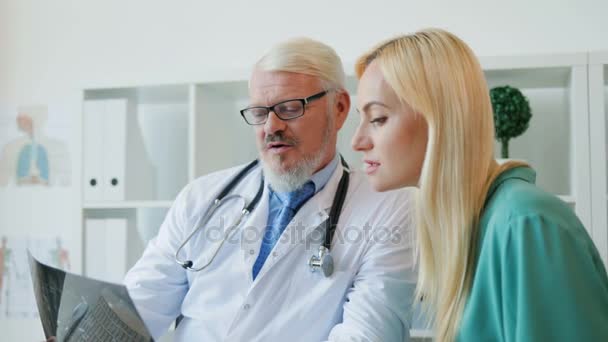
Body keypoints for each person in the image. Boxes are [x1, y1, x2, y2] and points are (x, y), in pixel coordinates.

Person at [125, 37, 416, 341]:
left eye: (290, 109)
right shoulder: (200, 199)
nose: (271, 127)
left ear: (339, 107)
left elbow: (367, 336)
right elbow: (134, 311)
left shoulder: (389, 207)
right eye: (260, 113)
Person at [351, 28, 608, 341]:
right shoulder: (471, 228)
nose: (357, 141)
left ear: (439, 117)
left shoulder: (528, 225)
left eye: (377, 118)